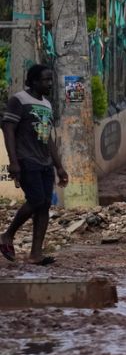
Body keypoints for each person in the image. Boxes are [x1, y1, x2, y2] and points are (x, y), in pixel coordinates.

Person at [0, 64, 69, 266]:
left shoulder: (47, 105)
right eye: (46, 80)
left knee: (44, 206)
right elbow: (8, 130)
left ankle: (36, 254)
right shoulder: (19, 100)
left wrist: (59, 166)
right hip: (26, 159)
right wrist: (13, 162)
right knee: (36, 200)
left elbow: (47, 139)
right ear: (34, 81)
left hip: (45, 162)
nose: (49, 84)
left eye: (50, 80)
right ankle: (7, 235)